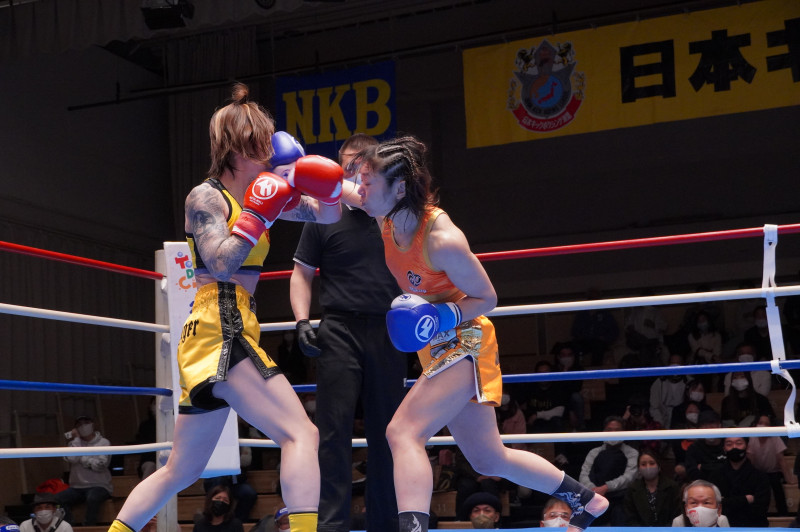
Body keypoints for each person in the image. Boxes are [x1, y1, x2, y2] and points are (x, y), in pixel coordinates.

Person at [105, 83, 344, 532]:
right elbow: (219, 262)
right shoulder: (207, 197)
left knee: (182, 469)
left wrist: (325, 186)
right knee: (301, 433)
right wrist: (259, 213)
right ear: (240, 147)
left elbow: (327, 215)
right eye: (263, 141)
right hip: (220, 320)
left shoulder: (261, 190)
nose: (271, 150)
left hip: (225, 325)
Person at [349, 135, 608, 532]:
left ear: (399, 188)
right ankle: (586, 500)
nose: (360, 189)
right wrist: (286, 181)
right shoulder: (384, 211)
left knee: (402, 432)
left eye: (368, 182)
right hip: (435, 343)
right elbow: (330, 194)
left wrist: (437, 316)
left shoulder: (442, 239)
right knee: (488, 458)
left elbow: (487, 297)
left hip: (465, 338)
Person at [289, 132, 407, 532]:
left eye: (360, 164)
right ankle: (331, 526)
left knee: (388, 433)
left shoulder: (396, 214)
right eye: (346, 164)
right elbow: (301, 273)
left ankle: (385, 525)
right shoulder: (326, 212)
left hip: (390, 328)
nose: (352, 171)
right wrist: (302, 320)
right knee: (333, 432)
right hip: (338, 329)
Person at [578, 416, 638, 526]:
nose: (613, 433)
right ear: (603, 431)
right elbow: (583, 474)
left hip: (621, 500)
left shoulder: (632, 453)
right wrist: (594, 490)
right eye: (609, 430)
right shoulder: (593, 452)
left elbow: (629, 477)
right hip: (595, 498)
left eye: (617, 430)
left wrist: (606, 487)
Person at [56, 415, 112, 526]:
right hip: (77, 487)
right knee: (58, 498)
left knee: (93, 497)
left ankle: (89, 526)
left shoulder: (104, 442)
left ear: (93, 424)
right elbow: (72, 458)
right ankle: (69, 526)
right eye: (79, 424)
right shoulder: (74, 444)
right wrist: (76, 439)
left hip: (99, 485)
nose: (83, 426)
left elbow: (100, 465)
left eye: (86, 422)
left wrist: (82, 458)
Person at [709, 436, 771, 527]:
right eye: (729, 444)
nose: (734, 447)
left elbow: (760, 510)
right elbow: (714, 507)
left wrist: (727, 502)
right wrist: (745, 499)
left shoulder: (760, 477)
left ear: (747, 446)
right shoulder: (715, 476)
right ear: (724, 448)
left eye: (739, 443)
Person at [622, 449, 681, 526]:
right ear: (639, 468)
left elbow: (677, 515)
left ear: (659, 466)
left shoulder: (672, 487)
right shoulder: (632, 489)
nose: (648, 467)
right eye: (643, 464)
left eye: (652, 463)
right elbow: (630, 518)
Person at [748, 414, 791, 515]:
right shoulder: (752, 437)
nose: (763, 425)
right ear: (756, 425)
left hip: (774, 472)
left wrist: (789, 479)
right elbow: (750, 461)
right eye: (761, 423)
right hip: (757, 472)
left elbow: (781, 460)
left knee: (777, 486)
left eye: (766, 424)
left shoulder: (775, 437)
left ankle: (783, 514)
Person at [685, 410, 727, 481]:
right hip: (702, 485)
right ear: (699, 428)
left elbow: (731, 471)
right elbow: (693, 474)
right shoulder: (694, 448)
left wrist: (703, 468)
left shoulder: (728, 444)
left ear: (720, 425)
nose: (708, 428)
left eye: (712, 423)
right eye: (704, 425)